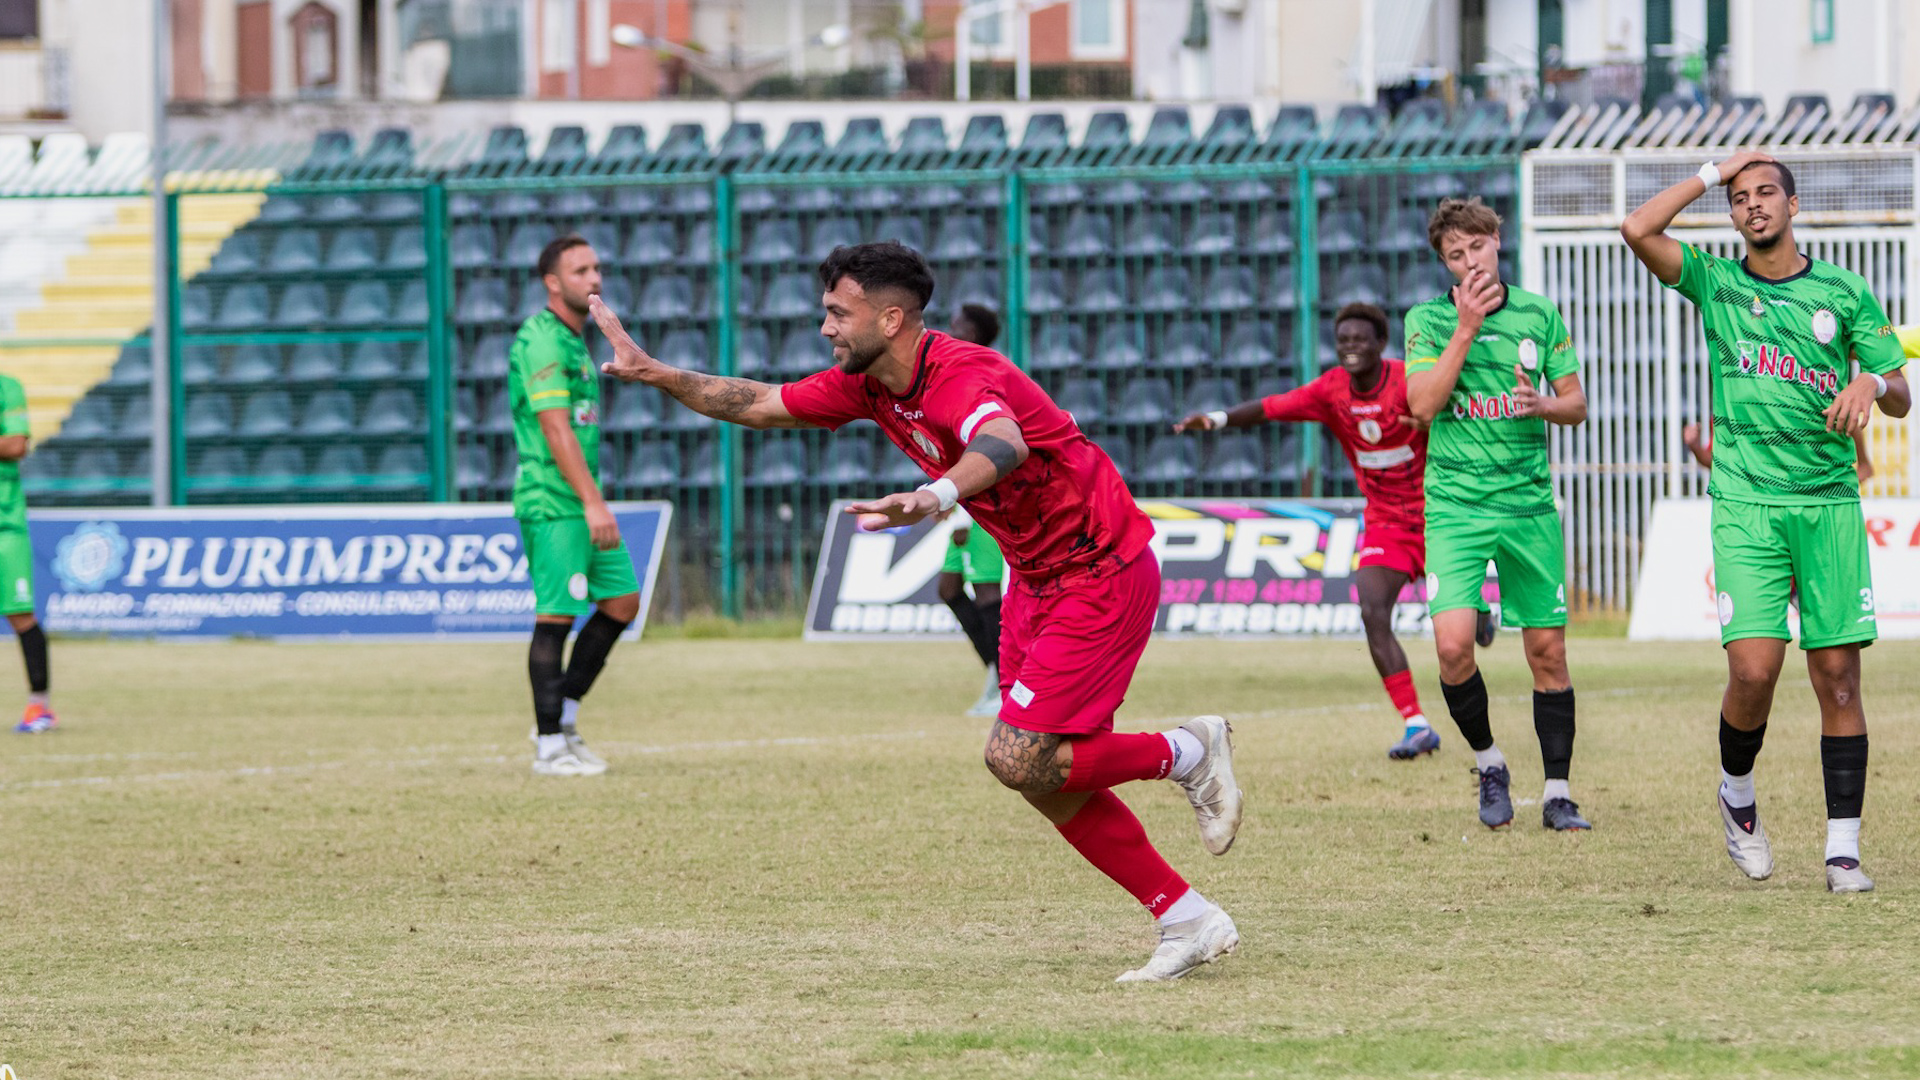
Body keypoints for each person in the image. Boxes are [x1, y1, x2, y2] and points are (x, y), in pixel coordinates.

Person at [590, 242, 1244, 981]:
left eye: (839, 312)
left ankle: (1188, 751)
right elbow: (762, 403)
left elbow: (1005, 440)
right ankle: (1187, 918)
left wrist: (936, 495)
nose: (826, 327)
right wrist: (657, 374)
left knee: (1017, 757)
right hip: (1036, 577)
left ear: (891, 317)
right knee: (1042, 776)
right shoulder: (870, 385)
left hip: (1100, 570)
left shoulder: (964, 373)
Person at [1622, 151, 1909, 892]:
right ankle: (1737, 795)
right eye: (1741, 197)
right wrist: (1714, 170)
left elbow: (1902, 393)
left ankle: (1842, 850)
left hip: (1830, 505)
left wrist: (1869, 381)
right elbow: (1637, 226)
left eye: (1765, 193)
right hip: (1747, 504)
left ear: (1792, 203)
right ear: (1732, 211)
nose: (1753, 205)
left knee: (1839, 677)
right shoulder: (1716, 283)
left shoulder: (1843, 291)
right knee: (1754, 670)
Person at [1174, 301, 1494, 760]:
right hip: (1387, 522)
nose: (1350, 348)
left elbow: (1462, 412)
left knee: (1463, 626)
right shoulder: (1331, 391)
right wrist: (1219, 420)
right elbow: (1271, 408)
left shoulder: (1410, 381)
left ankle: (1480, 609)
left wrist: (1431, 419)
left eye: (1360, 339)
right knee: (1370, 606)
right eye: (1343, 340)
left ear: (1380, 344)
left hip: (1440, 513)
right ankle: (1416, 724)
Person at [1405, 197, 1592, 832]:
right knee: (1454, 647)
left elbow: (1578, 405)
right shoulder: (1428, 321)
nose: (1469, 262)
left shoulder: (1539, 313)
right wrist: (1466, 328)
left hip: (1528, 508)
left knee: (1547, 653)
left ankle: (1559, 792)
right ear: (1445, 264)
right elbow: (1424, 406)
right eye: (1455, 256)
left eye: (1476, 247)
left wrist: (1540, 405)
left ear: (1496, 240)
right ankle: (1490, 764)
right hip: (1456, 508)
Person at [509, 235, 642, 777]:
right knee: (555, 618)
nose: (594, 278)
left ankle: (562, 720)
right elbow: (555, 429)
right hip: (555, 502)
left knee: (622, 604)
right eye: (580, 270)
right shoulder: (540, 340)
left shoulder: (574, 339)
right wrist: (593, 503)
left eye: (597, 267)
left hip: (581, 499)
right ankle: (547, 747)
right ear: (552, 282)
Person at [941, 303, 1008, 718]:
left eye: (959, 326)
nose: (950, 332)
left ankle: (1007, 683)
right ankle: (996, 671)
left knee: (986, 591)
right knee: (948, 589)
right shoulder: (953, 373)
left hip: (984, 502)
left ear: (978, 333)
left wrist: (964, 512)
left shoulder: (981, 375)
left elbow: (985, 445)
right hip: (960, 498)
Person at [0, 371, 51, 733]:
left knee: (21, 614)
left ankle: (40, 707)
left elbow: (16, 446)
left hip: (6, 525)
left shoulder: (8, 387)